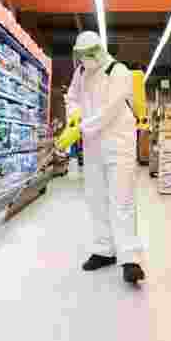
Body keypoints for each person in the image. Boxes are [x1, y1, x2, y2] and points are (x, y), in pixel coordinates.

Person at [65, 31, 145, 284]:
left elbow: (108, 112)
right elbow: (72, 97)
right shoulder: (80, 73)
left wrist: (81, 128)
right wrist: (74, 116)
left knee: (121, 200)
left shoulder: (118, 71)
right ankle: (104, 250)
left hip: (118, 145)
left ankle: (130, 258)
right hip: (93, 147)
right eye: (81, 55)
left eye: (89, 54)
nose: (85, 59)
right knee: (96, 198)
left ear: (99, 50)